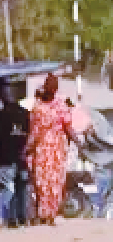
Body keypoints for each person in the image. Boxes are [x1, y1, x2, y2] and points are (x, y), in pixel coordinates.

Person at [24, 74, 77, 226]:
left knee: (54, 181)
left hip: (54, 149)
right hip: (44, 148)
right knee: (42, 181)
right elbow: (34, 131)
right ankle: (44, 213)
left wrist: (78, 141)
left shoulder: (59, 106)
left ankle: (50, 214)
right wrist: (28, 148)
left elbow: (68, 127)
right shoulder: (38, 107)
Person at [0, 79, 30, 227]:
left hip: (6, 158)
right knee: (21, 188)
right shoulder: (25, 113)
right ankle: (22, 217)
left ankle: (12, 219)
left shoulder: (3, 115)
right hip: (21, 156)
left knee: (9, 189)